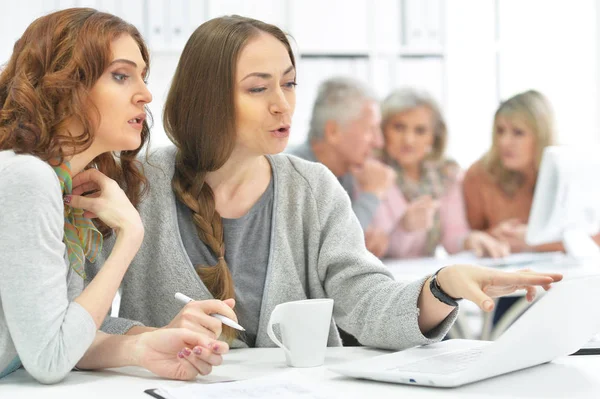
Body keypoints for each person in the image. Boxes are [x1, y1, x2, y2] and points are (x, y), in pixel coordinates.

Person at [89, 15, 562, 350]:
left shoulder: (312, 188)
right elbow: (74, 322)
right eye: (258, 88)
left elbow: (364, 300)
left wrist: (441, 287)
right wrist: (150, 338)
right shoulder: (137, 183)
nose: (283, 104)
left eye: (289, 83)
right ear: (207, 99)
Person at [0, 8, 229, 384]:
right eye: (121, 76)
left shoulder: (59, 189)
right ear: (65, 85)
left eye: (142, 76)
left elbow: (63, 337)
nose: (146, 94)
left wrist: (142, 348)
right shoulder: (26, 178)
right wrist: (130, 237)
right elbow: (50, 358)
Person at [369, 88, 508, 259]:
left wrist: (471, 240)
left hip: (424, 275)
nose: (408, 140)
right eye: (399, 127)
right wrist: (404, 227)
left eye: (420, 131)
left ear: (434, 137)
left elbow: (453, 237)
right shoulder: (371, 173)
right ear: (383, 129)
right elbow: (375, 249)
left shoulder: (445, 175)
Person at [463, 89, 600, 253]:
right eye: (500, 131)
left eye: (518, 132)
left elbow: (593, 238)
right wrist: (493, 236)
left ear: (541, 135)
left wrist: (535, 241)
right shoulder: (479, 175)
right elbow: (468, 236)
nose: (504, 141)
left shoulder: (570, 169)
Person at [287, 77, 395, 240]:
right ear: (333, 132)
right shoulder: (292, 176)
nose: (379, 142)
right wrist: (372, 193)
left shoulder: (345, 172)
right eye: (370, 129)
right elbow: (333, 243)